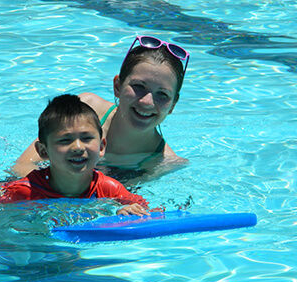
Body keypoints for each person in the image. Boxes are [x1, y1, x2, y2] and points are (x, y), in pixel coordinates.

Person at [11, 35, 190, 183]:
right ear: (117, 86)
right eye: (139, 86)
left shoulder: (163, 162)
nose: (147, 102)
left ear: (173, 104)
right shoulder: (85, 109)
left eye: (162, 95)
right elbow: (21, 167)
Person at [0, 94, 152, 222]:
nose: (78, 147)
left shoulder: (108, 187)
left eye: (87, 138)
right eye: (65, 140)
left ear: (102, 146)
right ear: (43, 151)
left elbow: (142, 205)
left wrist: (128, 210)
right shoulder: (25, 191)